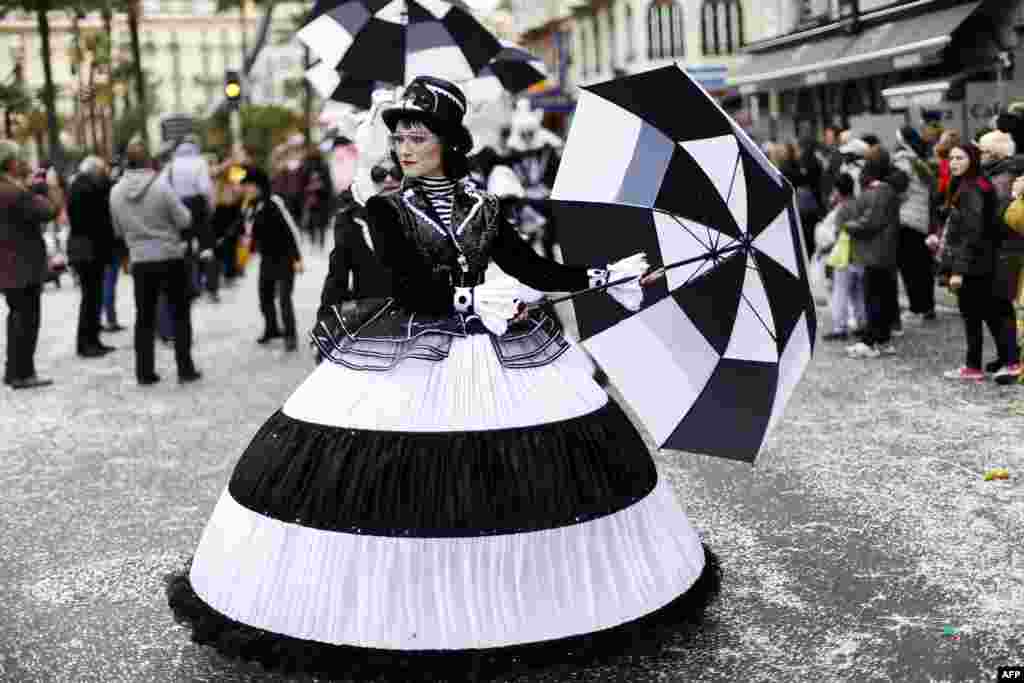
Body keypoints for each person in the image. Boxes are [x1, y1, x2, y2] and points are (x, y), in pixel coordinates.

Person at [167, 76, 716, 680]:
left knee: (512, 472)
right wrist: (476, 300)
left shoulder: (485, 205)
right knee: (402, 479)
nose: (404, 146)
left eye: (418, 136)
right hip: (416, 347)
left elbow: (532, 265)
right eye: (399, 136)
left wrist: (608, 273)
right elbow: (409, 286)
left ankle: (519, 600)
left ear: (448, 143)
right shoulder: (385, 207)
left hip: (489, 348)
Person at [109, 140, 202, 386]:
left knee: (144, 317)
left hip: (140, 260)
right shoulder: (162, 187)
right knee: (180, 313)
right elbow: (184, 219)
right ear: (149, 160)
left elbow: (117, 230)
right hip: (170, 256)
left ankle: (145, 372)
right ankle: (185, 368)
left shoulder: (116, 192)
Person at [939, 143, 1020, 384]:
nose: (954, 163)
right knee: (984, 313)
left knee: (981, 314)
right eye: (951, 158)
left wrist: (958, 270)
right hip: (982, 260)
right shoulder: (974, 184)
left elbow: (972, 233)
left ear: (972, 160)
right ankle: (1003, 361)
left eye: (960, 158)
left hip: (977, 263)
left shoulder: (973, 188)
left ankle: (991, 364)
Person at [0, 140, 59, 389]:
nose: (24, 163)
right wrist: (50, 187)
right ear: (12, 163)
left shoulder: (8, 189)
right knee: (28, 319)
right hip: (23, 266)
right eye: (21, 159)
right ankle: (24, 373)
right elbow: (49, 211)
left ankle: (12, 370)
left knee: (16, 317)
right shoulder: (15, 193)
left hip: (7, 265)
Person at [843, 158, 902, 359]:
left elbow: (871, 221)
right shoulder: (889, 191)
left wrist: (850, 225)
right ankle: (882, 340)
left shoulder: (878, 193)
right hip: (885, 252)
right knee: (883, 296)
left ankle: (870, 341)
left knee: (873, 297)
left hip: (875, 253)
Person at [240, 165, 304, 351]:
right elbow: (244, 231)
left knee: (284, 298)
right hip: (267, 259)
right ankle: (272, 329)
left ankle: (290, 335)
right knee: (265, 296)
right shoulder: (251, 206)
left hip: (285, 257)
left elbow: (291, 230)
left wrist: (297, 258)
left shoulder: (274, 202)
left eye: (250, 185)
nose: (246, 189)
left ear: (259, 186)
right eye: (246, 186)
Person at [67, 155, 119, 358]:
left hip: (87, 248)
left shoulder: (82, 185)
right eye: (102, 171)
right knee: (90, 298)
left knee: (93, 297)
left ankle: (93, 339)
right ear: (94, 171)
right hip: (87, 250)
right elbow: (96, 215)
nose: (104, 174)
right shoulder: (84, 188)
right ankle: (86, 343)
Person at [892, 126, 937, 322]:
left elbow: (899, 190)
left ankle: (916, 307)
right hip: (922, 219)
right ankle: (928, 306)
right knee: (923, 266)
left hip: (906, 219)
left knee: (909, 267)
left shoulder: (902, 160)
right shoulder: (921, 160)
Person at [822, 174, 866, 341]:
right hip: (861, 255)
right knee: (859, 293)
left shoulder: (841, 209)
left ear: (838, 190)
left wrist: (826, 249)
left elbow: (838, 234)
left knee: (840, 292)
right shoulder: (860, 204)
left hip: (844, 257)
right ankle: (862, 323)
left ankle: (840, 327)